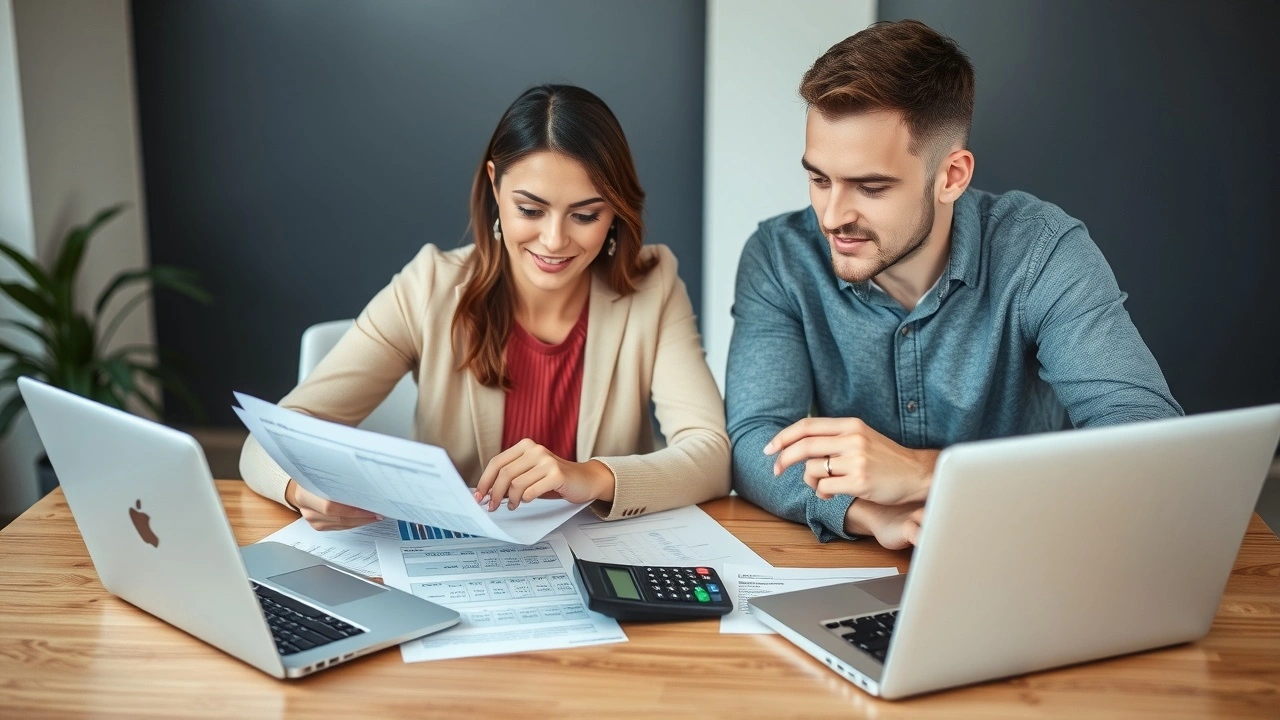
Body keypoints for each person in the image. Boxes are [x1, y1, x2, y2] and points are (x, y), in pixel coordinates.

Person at [726, 21, 1182, 550]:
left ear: (951, 177)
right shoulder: (780, 257)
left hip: (1031, 547)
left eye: (871, 187)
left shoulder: (1042, 252)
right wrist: (866, 513)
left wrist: (927, 473)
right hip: (865, 559)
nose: (831, 217)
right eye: (819, 179)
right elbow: (756, 441)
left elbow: (1148, 444)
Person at [241, 84, 729, 530]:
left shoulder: (654, 286)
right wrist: (301, 489)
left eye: (585, 215)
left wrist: (591, 476)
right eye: (530, 210)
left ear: (616, 211)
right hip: (453, 562)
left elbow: (711, 454)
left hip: (597, 560)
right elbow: (268, 439)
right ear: (495, 186)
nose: (554, 240)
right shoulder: (429, 286)